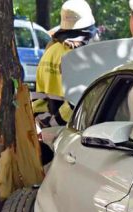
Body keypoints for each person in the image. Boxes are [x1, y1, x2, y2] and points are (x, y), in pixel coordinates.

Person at [33, 0, 96, 128]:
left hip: (47, 132)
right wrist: (56, 123)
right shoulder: (81, 56)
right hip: (71, 134)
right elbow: (78, 100)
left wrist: (47, 123)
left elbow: (37, 97)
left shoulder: (49, 51)